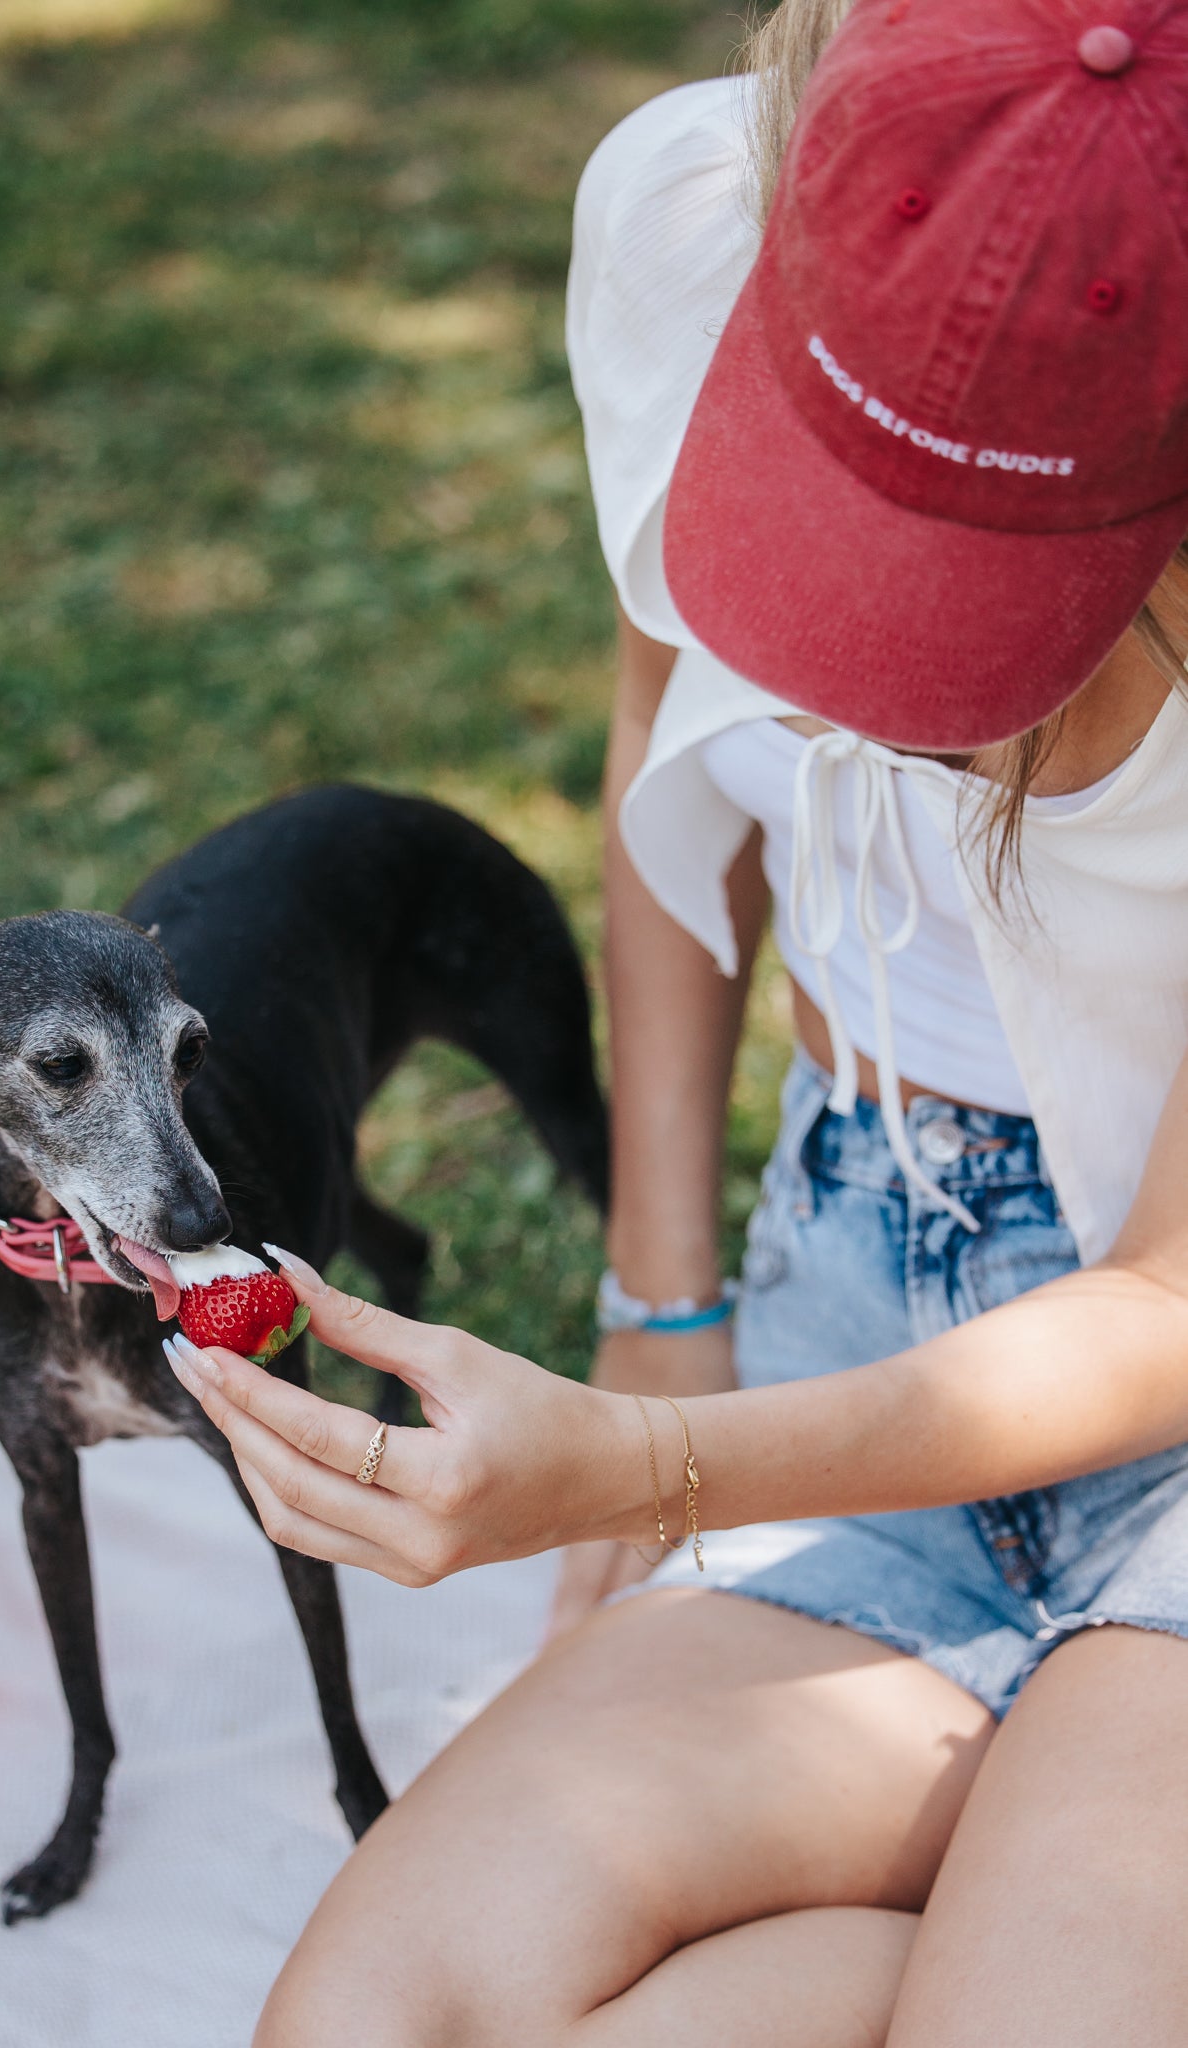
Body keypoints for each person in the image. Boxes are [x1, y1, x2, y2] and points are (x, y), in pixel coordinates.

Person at [164, 1, 1188, 2039]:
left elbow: (1164, 1304)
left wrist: (646, 1467)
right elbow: (670, 747)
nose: (837, 678)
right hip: (857, 1304)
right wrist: (660, 1306)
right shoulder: (693, 211)